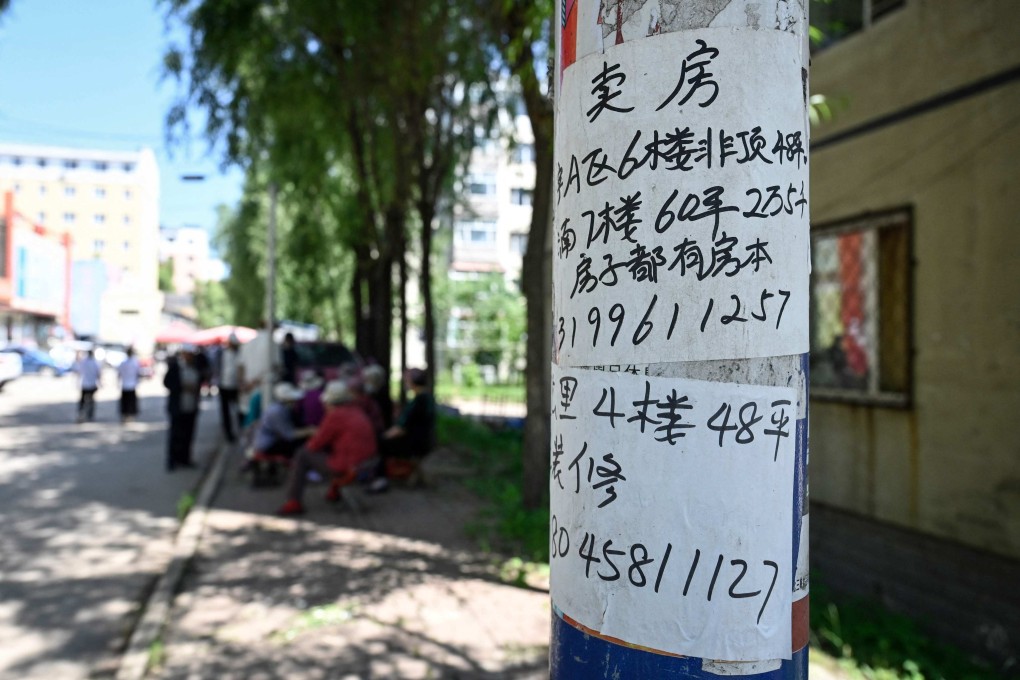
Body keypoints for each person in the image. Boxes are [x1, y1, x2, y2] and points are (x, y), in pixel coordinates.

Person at [278, 380, 378, 516]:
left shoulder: (335, 416)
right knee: (330, 451)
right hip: (367, 463)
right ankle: (333, 492)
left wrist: (314, 433)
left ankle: (293, 501)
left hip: (349, 467)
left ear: (329, 402)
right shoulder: (356, 410)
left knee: (302, 454)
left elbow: (314, 445)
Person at [369, 368, 435, 491]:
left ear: (413, 382)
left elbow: (402, 428)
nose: (405, 382)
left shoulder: (419, 401)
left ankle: (381, 478)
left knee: (382, 444)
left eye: (407, 380)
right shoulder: (426, 398)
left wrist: (383, 437)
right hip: (424, 440)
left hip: (416, 443)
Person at [248, 382, 314, 485]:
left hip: (267, 442)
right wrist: (309, 431)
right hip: (266, 445)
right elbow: (289, 435)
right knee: (299, 445)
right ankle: (304, 470)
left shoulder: (278, 408)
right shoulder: (277, 411)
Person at [163, 346, 203, 471]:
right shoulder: (175, 367)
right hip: (177, 406)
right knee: (175, 434)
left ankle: (185, 458)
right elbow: (167, 383)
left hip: (191, 406)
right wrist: (182, 387)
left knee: (188, 434)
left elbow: (200, 382)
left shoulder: (195, 368)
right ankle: (172, 460)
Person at [216, 333, 243, 442]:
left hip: (235, 386)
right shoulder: (222, 353)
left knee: (238, 410)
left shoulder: (239, 354)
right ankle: (229, 434)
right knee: (225, 412)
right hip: (224, 386)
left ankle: (241, 431)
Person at [75, 348, 102, 423]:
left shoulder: (84, 362)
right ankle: (89, 415)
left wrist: (77, 382)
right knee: (91, 401)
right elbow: (98, 374)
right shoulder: (95, 363)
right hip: (92, 384)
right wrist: (100, 382)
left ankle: (81, 413)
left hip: (85, 384)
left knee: (83, 401)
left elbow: (79, 372)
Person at [117, 346, 141, 424]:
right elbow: (138, 374)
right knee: (131, 402)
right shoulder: (135, 363)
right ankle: (129, 416)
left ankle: (126, 415)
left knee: (125, 402)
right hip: (131, 385)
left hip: (125, 385)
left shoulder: (123, 363)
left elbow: (119, 374)